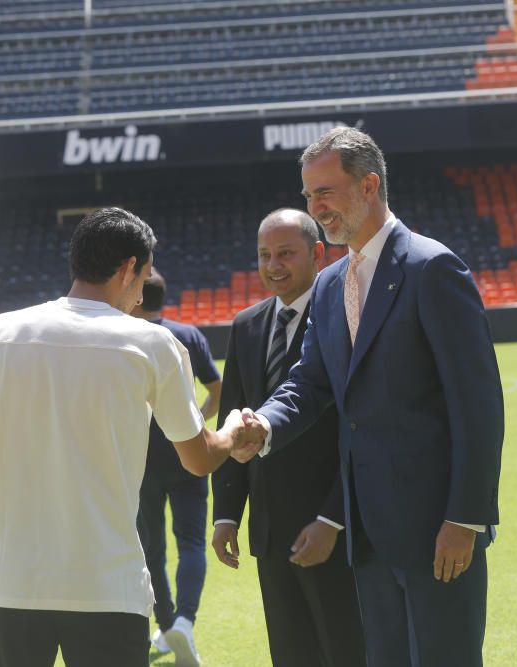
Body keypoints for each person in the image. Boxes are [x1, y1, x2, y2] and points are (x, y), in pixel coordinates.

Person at [0, 207, 263, 667]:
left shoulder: (0, 332)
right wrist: (232, 431)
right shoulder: (153, 344)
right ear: (129, 268)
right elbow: (199, 459)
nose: (140, 294)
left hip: (11, 588)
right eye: (144, 277)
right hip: (109, 590)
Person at [242, 128, 504, 667]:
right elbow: (309, 380)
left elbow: (478, 404)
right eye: (309, 196)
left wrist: (466, 518)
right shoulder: (331, 283)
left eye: (325, 192)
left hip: (438, 530)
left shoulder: (433, 269)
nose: (316, 208)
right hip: (366, 535)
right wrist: (264, 426)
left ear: (368, 185)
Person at [212, 208, 366, 667]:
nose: (273, 265)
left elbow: (358, 430)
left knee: (348, 651)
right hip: (271, 532)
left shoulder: (348, 317)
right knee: (291, 654)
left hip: (336, 529)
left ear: (317, 253)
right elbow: (233, 419)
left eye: (285, 253)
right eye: (264, 255)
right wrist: (225, 516)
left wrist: (333, 519)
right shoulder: (245, 326)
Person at [131, 268, 222, 667]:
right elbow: (218, 391)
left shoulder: (126, 338)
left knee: (151, 547)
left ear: (135, 297)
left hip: (140, 460)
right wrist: (194, 425)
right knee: (192, 543)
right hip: (188, 455)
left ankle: (166, 624)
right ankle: (183, 622)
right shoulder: (188, 335)